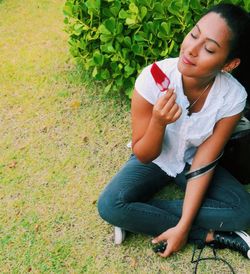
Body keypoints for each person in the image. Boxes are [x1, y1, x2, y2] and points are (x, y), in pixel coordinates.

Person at [98, 3, 250, 259]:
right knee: (110, 205)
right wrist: (158, 123)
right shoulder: (151, 79)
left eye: (209, 48)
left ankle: (138, 216)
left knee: (242, 211)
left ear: (229, 64)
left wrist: (183, 225)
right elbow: (144, 155)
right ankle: (211, 234)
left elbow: (204, 162)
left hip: (194, 162)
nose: (191, 49)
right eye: (193, 35)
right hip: (156, 157)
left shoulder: (233, 97)